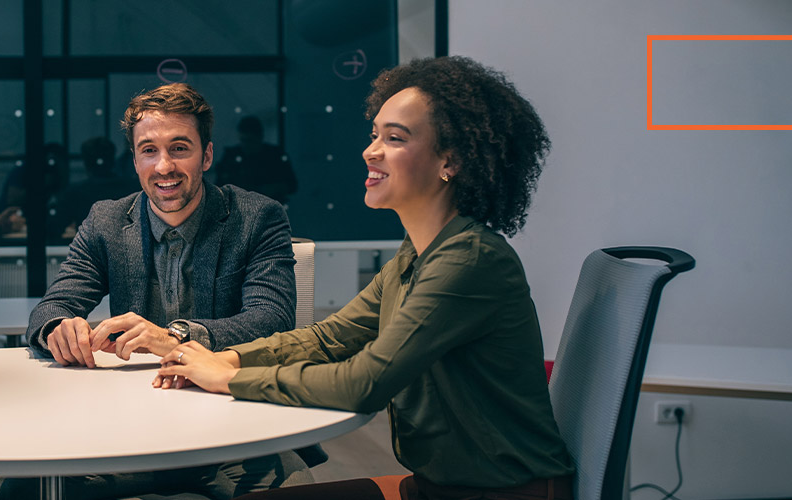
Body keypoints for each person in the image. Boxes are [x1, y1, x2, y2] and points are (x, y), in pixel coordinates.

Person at [156, 57, 576, 500]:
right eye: (375, 134)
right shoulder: (417, 253)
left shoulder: (469, 259)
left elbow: (363, 384)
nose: (370, 151)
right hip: (439, 487)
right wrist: (231, 358)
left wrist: (226, 378)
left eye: (394, 138)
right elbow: (329, 338)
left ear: (449, 161)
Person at [6, 83, 300, 499]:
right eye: (149, 150)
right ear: (135, 159)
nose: (164, 166)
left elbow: (272, 319)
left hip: (231, 428)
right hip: (127, 429)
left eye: (180, 148)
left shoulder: (256, 218)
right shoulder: (107, 221)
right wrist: (58, 327)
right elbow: (54, 305)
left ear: (207, 156)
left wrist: (175, 339)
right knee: (21, 487)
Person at [55, 136, 140, 235]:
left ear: (86, 163)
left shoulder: (75, 192)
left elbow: (55, 227)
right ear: (113, 160)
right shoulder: (133, 188)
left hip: (89, 247)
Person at [214, 115, 297, 204]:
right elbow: (220, 187)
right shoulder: (231, 156)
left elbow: (292, 185)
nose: (245, 145)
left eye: (249, 140)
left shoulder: (274, 156)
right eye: (243, 140)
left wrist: (276, 188)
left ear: (259, 137)